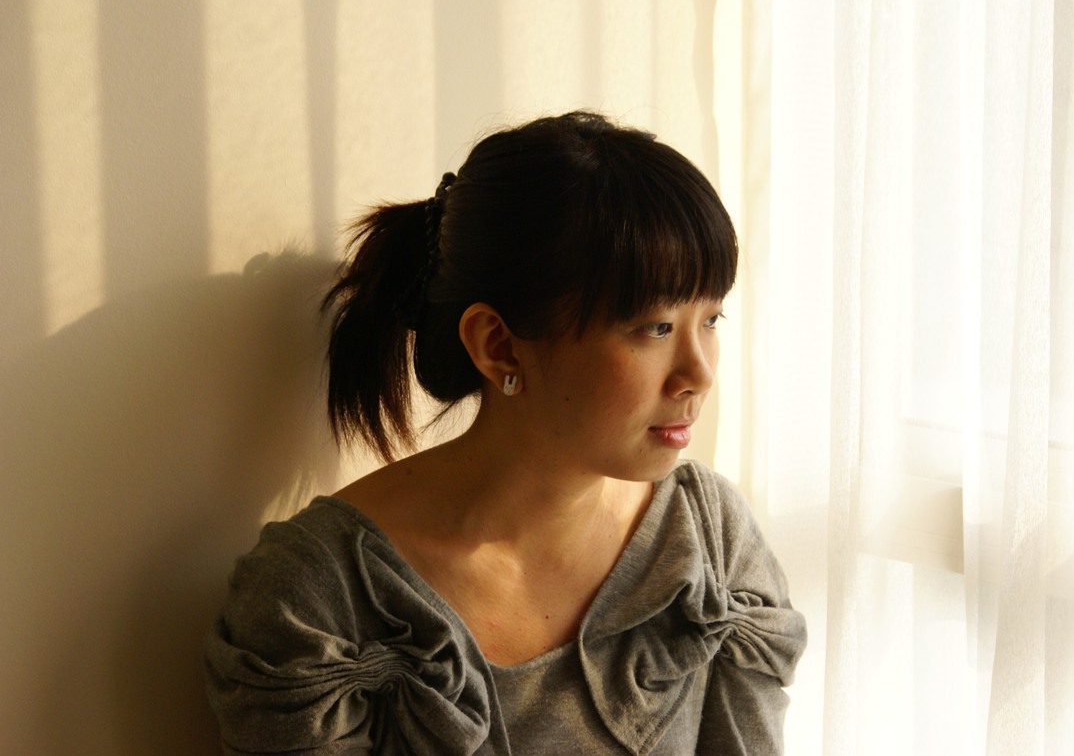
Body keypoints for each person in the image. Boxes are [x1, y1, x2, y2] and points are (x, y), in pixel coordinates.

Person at [204, 111, 807, 755]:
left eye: (711, 319)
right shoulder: (318, 600)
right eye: (655, 327)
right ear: (498, 346)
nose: (699, 373)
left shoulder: (708, 541)